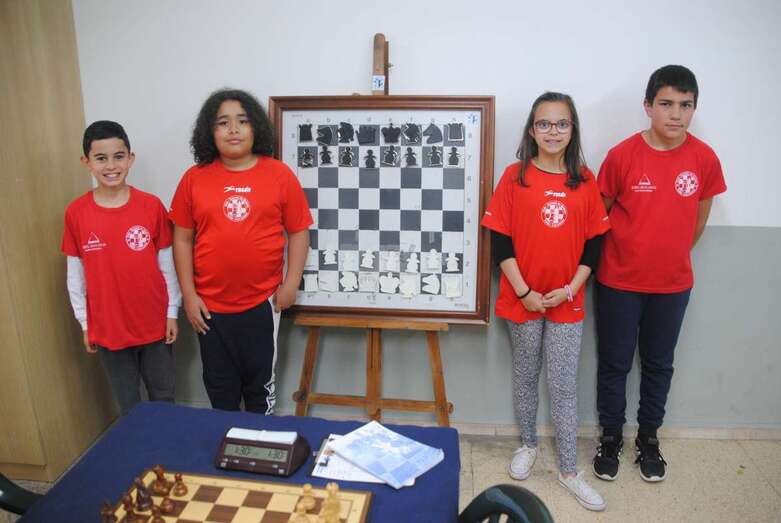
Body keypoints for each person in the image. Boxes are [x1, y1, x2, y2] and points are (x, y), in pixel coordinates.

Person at [591, 65, 727, 483]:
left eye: (686, 105)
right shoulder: (622, 155)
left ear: (694, 109)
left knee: (659, 364)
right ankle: (610, 437)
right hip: (617, 281)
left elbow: (699, 217)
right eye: (666, 104)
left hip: (672, 285)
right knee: (614, 364)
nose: (676, 114)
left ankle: (648, 439)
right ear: (648, 106)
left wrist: (670, 255)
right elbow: (601, 211)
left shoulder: (703, 158)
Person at [481, 92, 610, 512]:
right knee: (524, 373)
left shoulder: (585, 180)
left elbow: (594, 244)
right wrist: (525, 292)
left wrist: (571, 288)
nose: (553, 131)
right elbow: (500, 239)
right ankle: (528, 444)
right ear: (531, 130)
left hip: (566, 301)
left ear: (572, 130)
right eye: (544, 124)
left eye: (562, 124)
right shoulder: (514, 177)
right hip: (524, 299)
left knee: (563, 384)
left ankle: (570, 470)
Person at [169, 88, 312, 414]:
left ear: (256, 127)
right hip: (208, 307)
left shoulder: (279, 174)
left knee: (260, 384)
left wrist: (290, 284)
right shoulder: (194, 179)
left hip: (262, 302)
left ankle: (261, 443)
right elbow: (182, 240)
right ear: (210, 131)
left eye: (242, 121)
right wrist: (189, 296)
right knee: (220, 385)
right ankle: (225, 443)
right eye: (223, 122)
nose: (233, 129)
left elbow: (299, 232)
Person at [62, 120, 180, 415]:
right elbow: (75, 276)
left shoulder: (151, 206)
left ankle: (167, 455)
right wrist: (85, 323)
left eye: (118, 156)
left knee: (164, 399)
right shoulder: (76, 213)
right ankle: (139, 459)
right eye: (101, 158)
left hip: (154, 325)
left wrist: (171, 313)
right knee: (128, 406)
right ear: (86, 162)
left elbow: (168, 266)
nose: (111, 165)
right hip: (108, 328)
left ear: (130, 158)